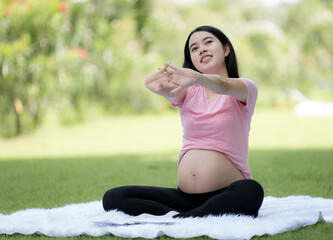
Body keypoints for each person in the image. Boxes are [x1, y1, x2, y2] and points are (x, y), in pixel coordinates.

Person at [102, 26, 264, 218]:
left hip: (227, 192)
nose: (201, 49)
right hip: (184, 197)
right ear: (192, 59)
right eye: (194, 48)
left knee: (252, 191)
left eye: (208, 42)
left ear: (226, 49)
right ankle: (189, 217)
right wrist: (152, 84)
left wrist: (197, 77)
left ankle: (187, 217)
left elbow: (223, 84)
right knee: (114, 197)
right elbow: (169, 91)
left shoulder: (243, 88)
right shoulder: (188, 92)